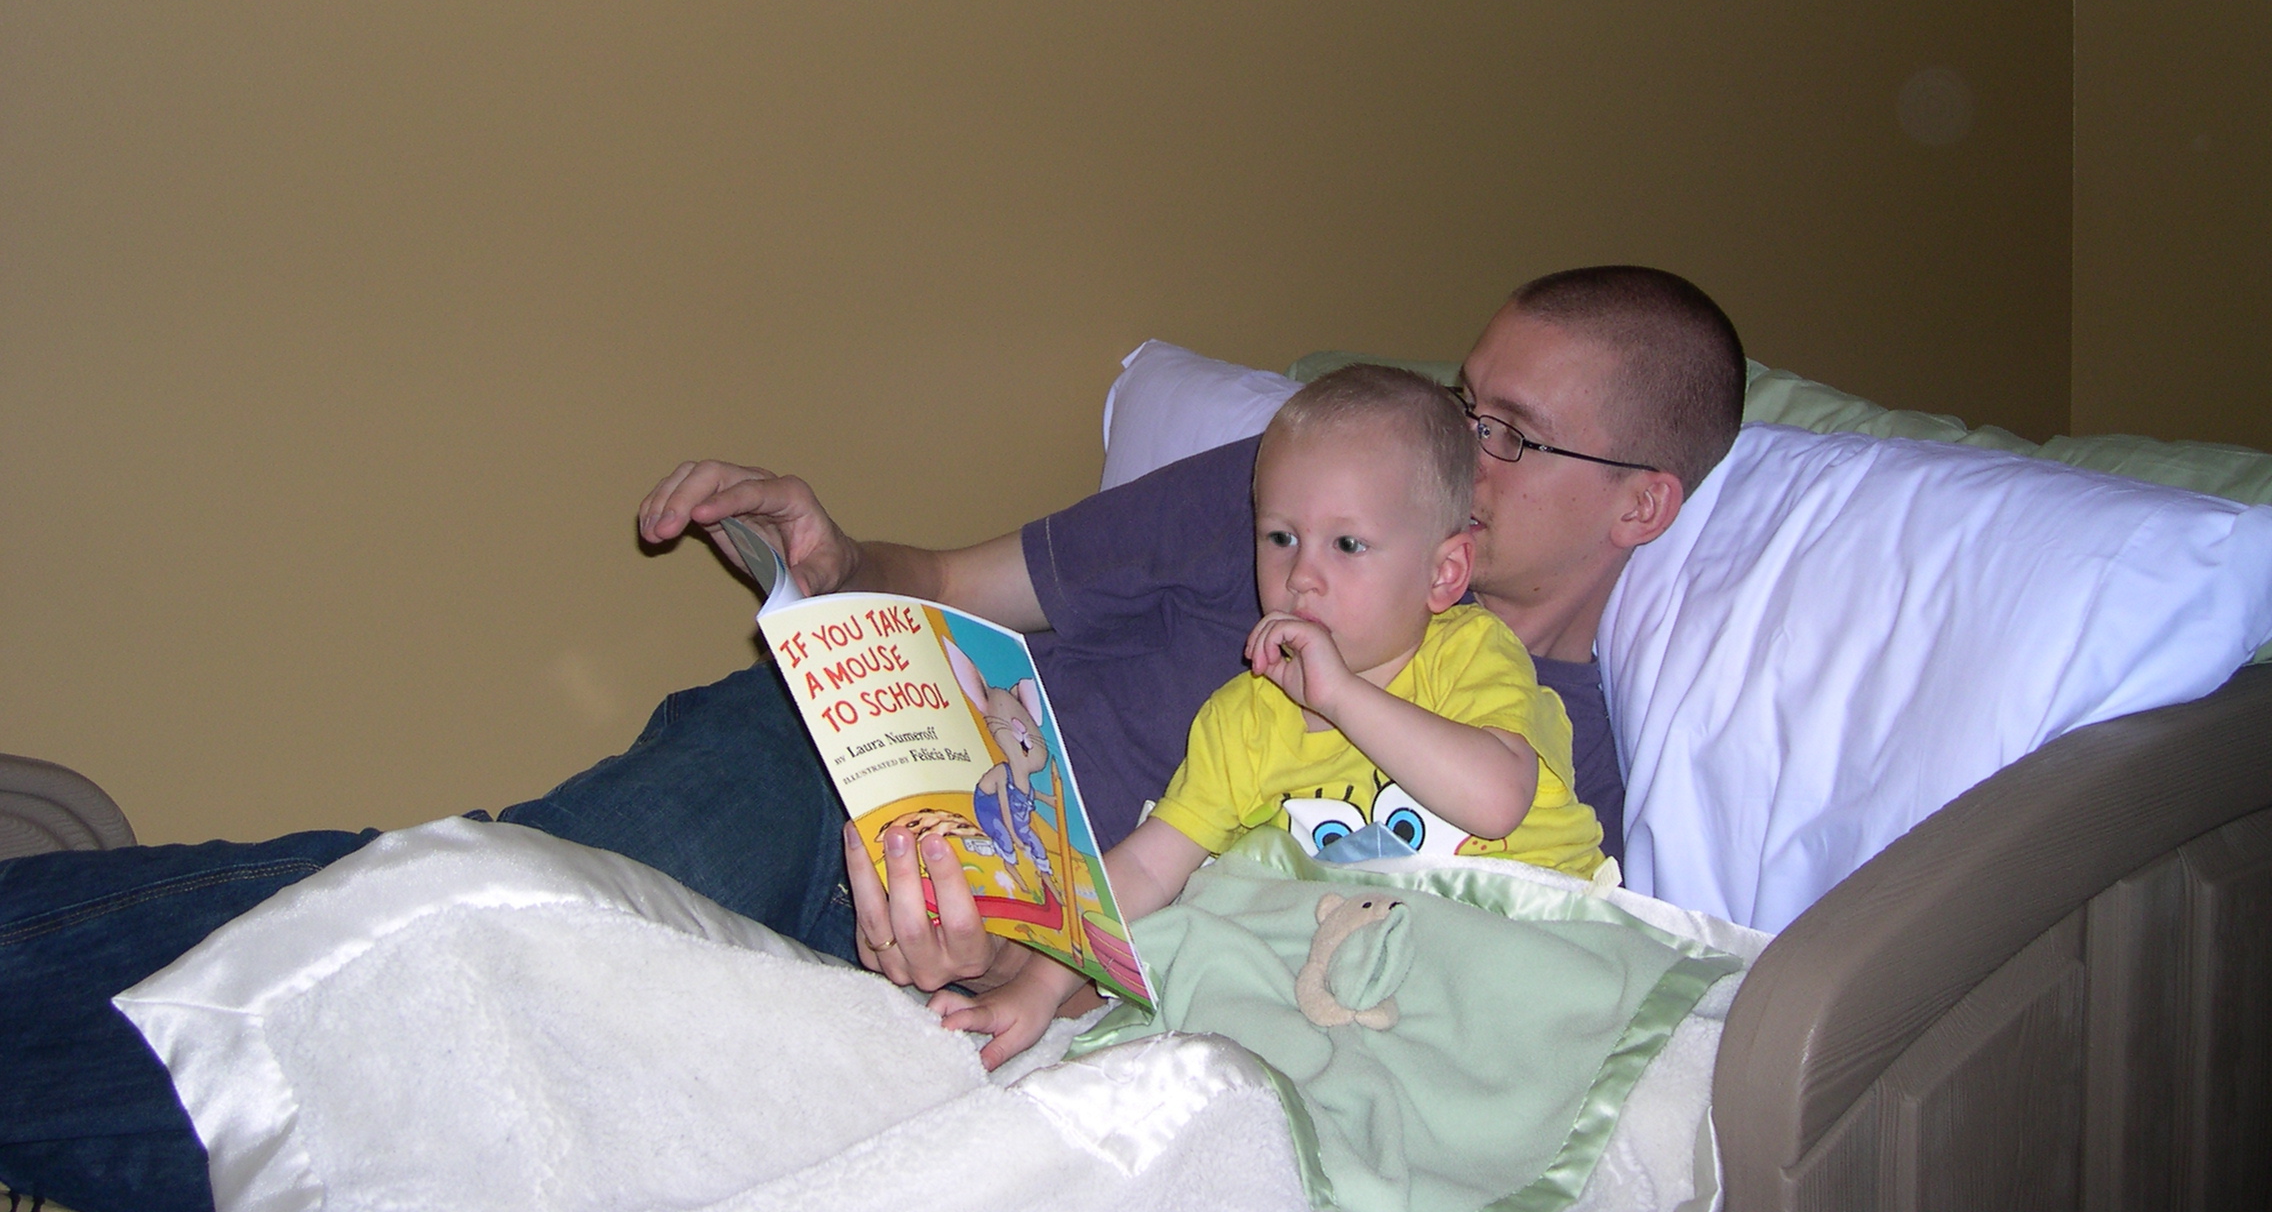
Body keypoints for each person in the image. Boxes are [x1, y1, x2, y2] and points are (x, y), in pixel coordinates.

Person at [0, 265, 1742, 1212]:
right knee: (508, 898)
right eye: (1461, 391)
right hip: (847, 753)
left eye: (1506, 432)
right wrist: (836, 564)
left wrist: (1021, 960)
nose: (1447, 437)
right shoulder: (1302, 481)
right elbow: (957, 583)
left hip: (976, 946)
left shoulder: (1541, 777)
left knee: (528, 1083)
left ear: (1641, 503)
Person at [934, 364, 1606, 1067]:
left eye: (1347, 545)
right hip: (1358, 1006)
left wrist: (1342, 696)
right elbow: (1145, 869)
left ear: (1443, 574)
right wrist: (1040, 987)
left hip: (1527, 965)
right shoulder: (1244, 716)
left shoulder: (1472, 655)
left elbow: (1496, 798)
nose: (1302, 575)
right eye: (1281, 537)